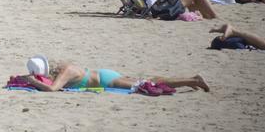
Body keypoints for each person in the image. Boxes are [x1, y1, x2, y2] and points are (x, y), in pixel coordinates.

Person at [22, 56, 208, 92]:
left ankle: (193, 81)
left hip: (107, 81)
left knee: (145, 85)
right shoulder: (65, 68)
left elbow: (52, 89)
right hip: (105, 75)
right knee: (149, 80)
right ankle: (189, 81)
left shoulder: (66, 72)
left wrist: (32, 81)